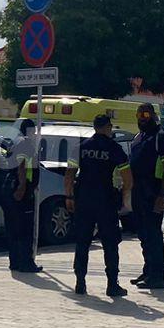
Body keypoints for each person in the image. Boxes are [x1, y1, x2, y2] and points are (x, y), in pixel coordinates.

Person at [65, 113, 130, 297]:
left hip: (83, 200)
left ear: (94, 127)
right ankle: (112, 285)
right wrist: (125, 197)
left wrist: (69, 197)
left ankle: (80, 282)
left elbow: (69, 175)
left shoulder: (80, 147)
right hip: (106, 201)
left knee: (82, 242)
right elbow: (128, 178)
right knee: (110, 244)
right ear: (108, 127)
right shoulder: (115, 148)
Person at [126, 102, 164, 289]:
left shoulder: (162, 136)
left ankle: (157, 276)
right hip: (137, 190)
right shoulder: (139, 137)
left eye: (146, 115)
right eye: (139, 115)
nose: (142, 118)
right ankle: (148, 270)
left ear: (154, 116)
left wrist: (162, 194)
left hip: (153, 191)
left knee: (153, 233)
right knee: (142, 233)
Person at [2, 119, 41, 273]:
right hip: (21, 193)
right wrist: (22, 187)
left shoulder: (15, 143)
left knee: (13, 229)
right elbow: (22, 166)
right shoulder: (26, 144)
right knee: (25, 230)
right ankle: (26, 263)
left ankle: (15, 262)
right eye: (34, 130)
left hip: (10, 188)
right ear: (30, 130)